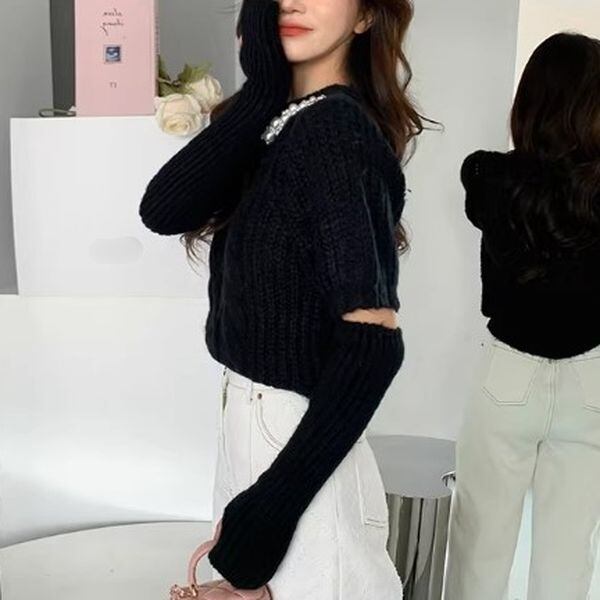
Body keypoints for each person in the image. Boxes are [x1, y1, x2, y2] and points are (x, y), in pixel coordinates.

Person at [139, 0, 429, 596]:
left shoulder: (334, 130)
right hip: (256, 430)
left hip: (293, 446)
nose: (290, 3)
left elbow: (372, 347)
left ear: (366, 17)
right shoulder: (284, 123)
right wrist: (264, 88)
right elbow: (163, 210)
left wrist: (274, 504)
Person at [444, 32, 600, 600]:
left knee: (479, 547)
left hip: (508, 371)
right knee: (568, 557)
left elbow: (491, 182)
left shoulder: (490, 177)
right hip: (591, 378)